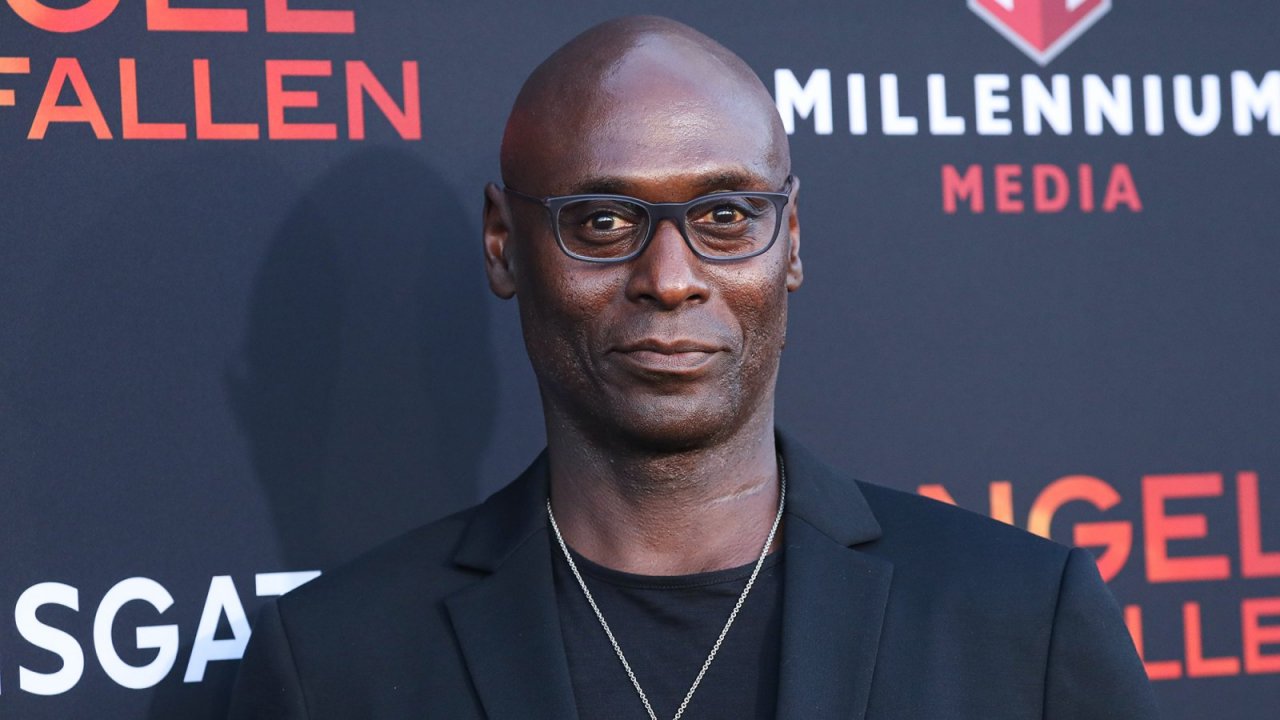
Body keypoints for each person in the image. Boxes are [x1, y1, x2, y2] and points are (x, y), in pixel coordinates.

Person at [227, 16, 1160, 720]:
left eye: (724, 217)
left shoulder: (1018, 619)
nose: (670, 279)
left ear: (790, 241)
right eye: (602, 222)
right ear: (504, 244)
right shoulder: (333, 665)